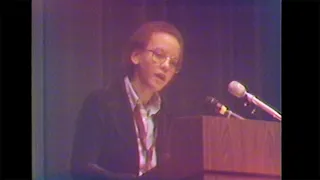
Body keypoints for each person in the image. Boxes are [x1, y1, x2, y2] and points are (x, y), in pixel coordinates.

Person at [70, 21, 184, 179]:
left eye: (173, 62)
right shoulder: (101, 103)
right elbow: (82, 169)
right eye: (159, 55)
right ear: (136, 56)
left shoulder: (168, 117)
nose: (166, 66)